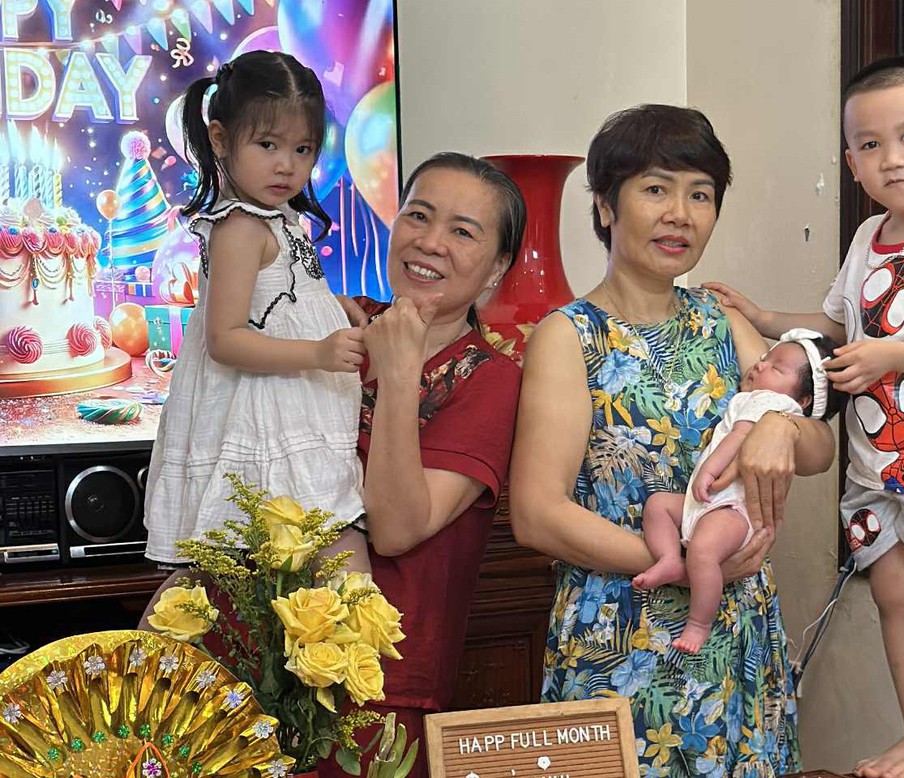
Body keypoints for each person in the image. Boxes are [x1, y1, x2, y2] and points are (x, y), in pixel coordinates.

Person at [707, 57, 904, 778]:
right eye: (870, 145)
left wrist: (890, 356)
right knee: (892, 593)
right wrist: (761, 315)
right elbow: (839, 324)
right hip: (874, 463)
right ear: (851, 163)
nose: (891, 158)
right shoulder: (866, 238)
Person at [510, 104, 837, 778]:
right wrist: (688, 564)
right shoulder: (567, 336)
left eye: (700, 195)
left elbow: (818, 450)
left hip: (737, 630)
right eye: (656, 189)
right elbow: (537, 514)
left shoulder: (722, 321)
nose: (680, 215)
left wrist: (781, 424)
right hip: (619, 634)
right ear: (605, 205)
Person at [318, 152, 526, 778]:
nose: (430, 242)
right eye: (418, 215)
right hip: (265, 654)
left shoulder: (492, 380)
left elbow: (396, 527)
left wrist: (401, 371)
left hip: (380, 689)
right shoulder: (333, 329)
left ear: (497, 268)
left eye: (462, 231)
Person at [142, 50, 369, 624]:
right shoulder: (240, 227)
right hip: (259, 416)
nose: (287, 165)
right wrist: (318, 351)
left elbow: (280, 298)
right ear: (220, 138)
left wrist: (332, 307)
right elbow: (225, 338)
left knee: (304, 581)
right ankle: (144, 665)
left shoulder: (278, 217)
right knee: (232, 575)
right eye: (268, 144)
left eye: (303, 149)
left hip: (293, 410)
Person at [633, 330, 842, 654]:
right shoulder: (753, 398)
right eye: (765, 358)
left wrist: (708, 470)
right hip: (710, 504)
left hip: (732, 508)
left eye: (776, 367)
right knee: (659, 505)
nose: (760, 365)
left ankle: (699, 623)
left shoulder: (773, 403)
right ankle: (670, 557)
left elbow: (738, 437)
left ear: (802, 400)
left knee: (703, 550)